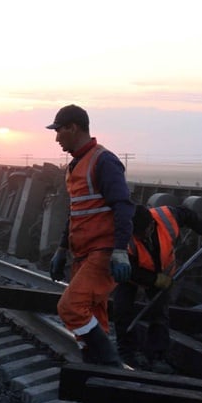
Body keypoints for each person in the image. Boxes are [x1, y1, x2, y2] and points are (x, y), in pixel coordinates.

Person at [46, 104, 134, 367]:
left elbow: (123, 206)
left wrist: (119, 250)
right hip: (82, 255)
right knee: (94, 320)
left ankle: (112, 367)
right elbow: (76, 212)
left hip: (103, 253)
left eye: (59, 130)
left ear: (73, 128)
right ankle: (98, 392)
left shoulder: (103, 161)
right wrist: (62, 249)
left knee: (70, 308)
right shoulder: (75, 166)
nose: (56, 137)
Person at [114, 204, 202, 372]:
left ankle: (156, 356)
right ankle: (126, 354)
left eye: (142, 233)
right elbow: (128, 269)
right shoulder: (124, 234)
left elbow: (188, 215)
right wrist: (155, 280)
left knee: (159, 315)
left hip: (162, 272)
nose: (140, 237)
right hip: (132, 275)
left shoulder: (166, 217)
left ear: (150, 225)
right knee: (122, 310)